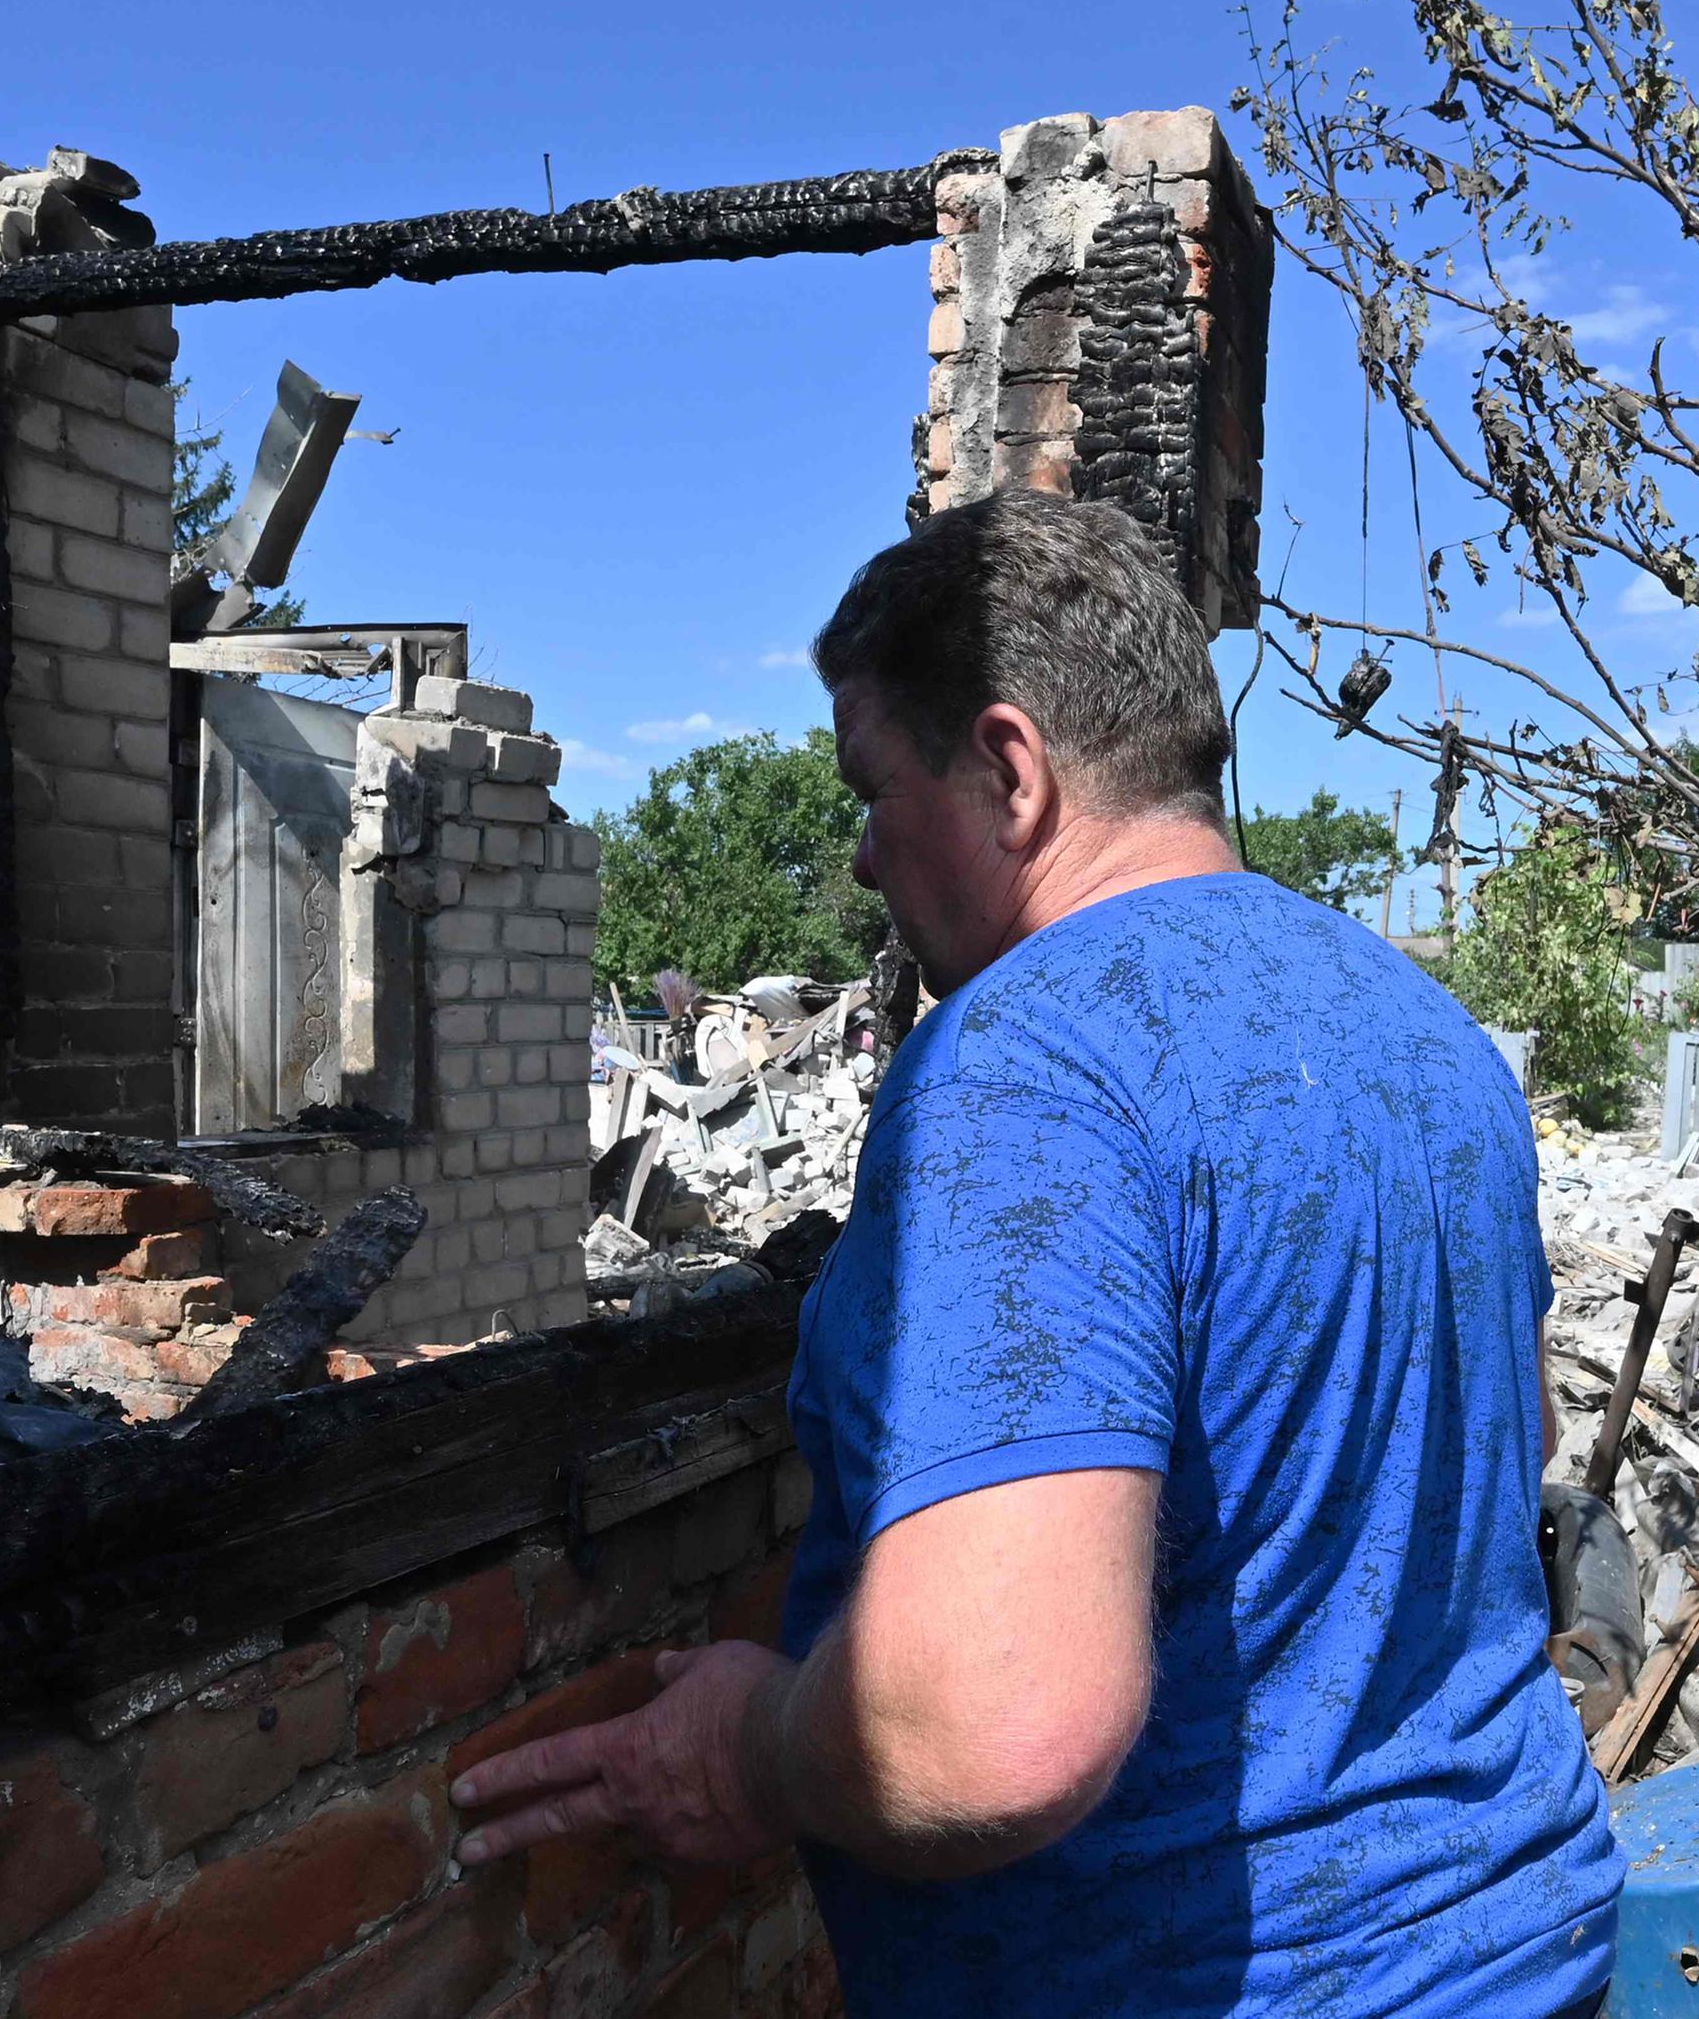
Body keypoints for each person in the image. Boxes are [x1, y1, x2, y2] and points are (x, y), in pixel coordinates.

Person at [447, 492, 1621, 2016]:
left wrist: (745, 1747)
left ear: (1010, 769)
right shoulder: (1426, 1035)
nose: (865, 857)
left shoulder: (1033, 1062)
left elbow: (995, 1721)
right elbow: (1500, 1443)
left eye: (875, 790)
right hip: (1524, 1938)